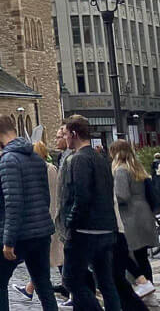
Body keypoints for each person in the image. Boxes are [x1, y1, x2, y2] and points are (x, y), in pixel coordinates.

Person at [0, 115, 58, 311]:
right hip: (41, 233)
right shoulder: (35, 157)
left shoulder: (8, 159)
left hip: (19, 236)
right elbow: (44, 196)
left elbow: (13, 202)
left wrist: (8, 241)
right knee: (43, 284)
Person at [60, 115, 121, 311]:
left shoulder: (79, 159)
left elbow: (82, 195)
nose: (66, 138)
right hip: (106, 229)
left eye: (67, 134)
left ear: (74, 134)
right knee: (106, 282)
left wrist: (71, 222)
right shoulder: (101, 158)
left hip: (85, 231)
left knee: (71, 280)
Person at [15, 140, 66, 302]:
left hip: (49, 217)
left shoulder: (46, 169)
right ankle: (30, 288)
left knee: (55, 257)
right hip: (48, 216)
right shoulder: (47, 168)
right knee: (53, 257)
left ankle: (72, 292)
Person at [110, 139, 157, 298]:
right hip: (144, 214)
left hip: (130, 216)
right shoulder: (137, 168)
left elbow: (122, 195)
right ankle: (148, 288)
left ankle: (142, 287)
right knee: (142, 257)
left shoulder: (121, 170)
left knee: (128, 254)